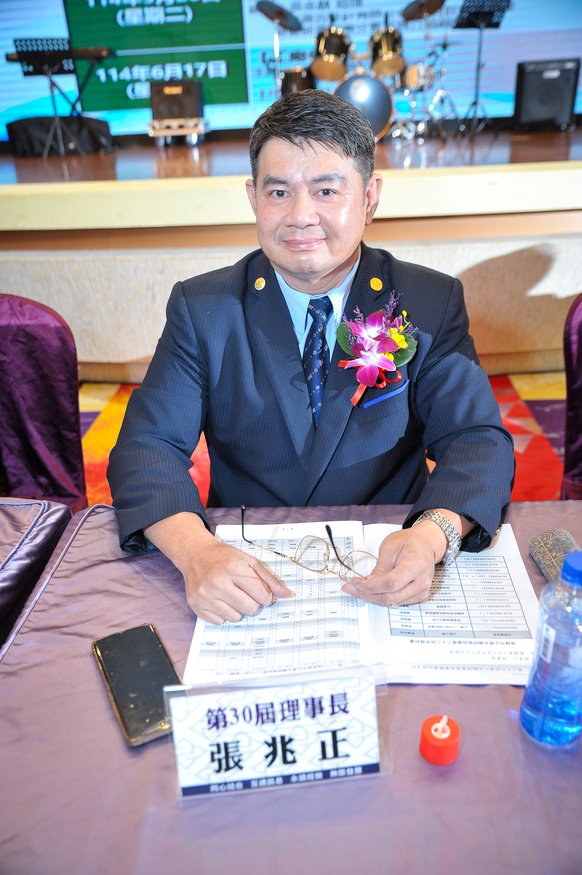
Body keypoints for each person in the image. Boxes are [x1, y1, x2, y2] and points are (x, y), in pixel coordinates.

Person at [108, 89, 514, 625]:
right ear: (253, 198)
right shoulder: (203, 307)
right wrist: (196, 551)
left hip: (386, 547)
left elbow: (476, 441)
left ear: (369, 197)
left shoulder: (428, 302)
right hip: (247, 562)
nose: (301, 216)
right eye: (279, 192)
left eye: (326, 190)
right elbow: (147, 448)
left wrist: (432, 534)